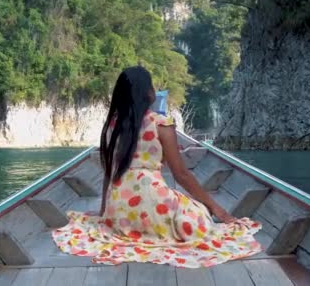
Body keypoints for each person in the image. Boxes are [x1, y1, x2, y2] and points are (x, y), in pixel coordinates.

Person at [53, 66, 262, 268]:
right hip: (154, 203)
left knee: (160, 209)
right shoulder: (161, 124)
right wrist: (218, 210)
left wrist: (104, 213)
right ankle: (168, 224)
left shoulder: (112, 126)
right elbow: (181, 175)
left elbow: (109, 172)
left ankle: (132, 226)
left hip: (118, 211)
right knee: (198, 215)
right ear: (149, 93)